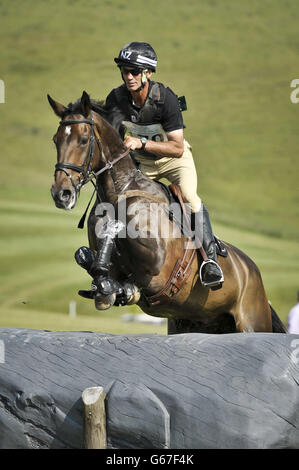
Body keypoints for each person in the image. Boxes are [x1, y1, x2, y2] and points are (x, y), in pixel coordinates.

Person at [104, 41, 223, 289]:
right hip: (142, 165)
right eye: (125, 71)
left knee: (189, 197)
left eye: (134, 71)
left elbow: (177, 147)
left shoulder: (165, 99)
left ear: (148, 73)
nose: (129, 77)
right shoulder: (116, 99)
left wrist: (142, 143)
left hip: (174, 162)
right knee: (119, 200)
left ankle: (210, 261)